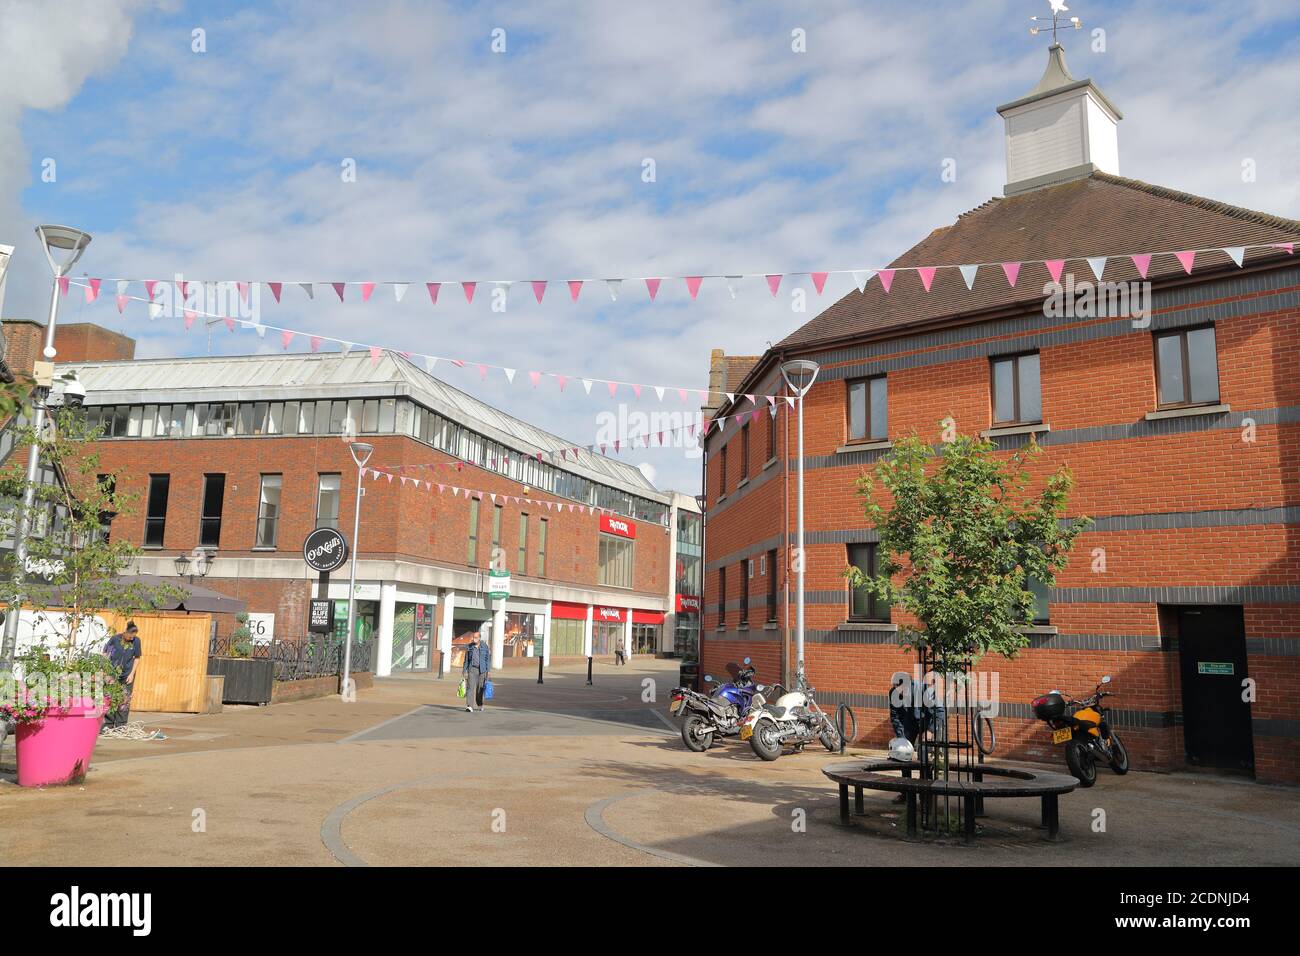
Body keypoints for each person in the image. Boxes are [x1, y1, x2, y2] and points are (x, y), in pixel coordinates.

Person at [103, 622, 143, 730]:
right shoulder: (115, 639)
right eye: (129, 636)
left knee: (124, 699)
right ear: (125, 631)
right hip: (112, 673)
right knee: (110, 697)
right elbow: (106, 653)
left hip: (127, 674)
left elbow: (137, 658)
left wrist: (132, 674)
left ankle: (121, 724)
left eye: (133, 637)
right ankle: (108, 724)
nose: (131, 638)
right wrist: (105, 671)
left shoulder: (136, 641)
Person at [461, 631, 491, 712]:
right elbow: (466, 659)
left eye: (476, 637)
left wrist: (489, 670)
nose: (474, 639)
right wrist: (464, 670)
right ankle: (469, 706)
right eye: (473, 637)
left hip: (482, 670)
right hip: (472, 669)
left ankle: (479, 704)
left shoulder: (485, 646)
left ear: (479, 638)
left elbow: (488, 659)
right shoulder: (470, 647)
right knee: (470, 688)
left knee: (479, 689)